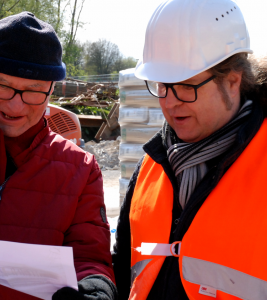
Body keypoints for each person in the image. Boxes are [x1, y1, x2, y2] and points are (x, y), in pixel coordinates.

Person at [113, 0, 267, 299]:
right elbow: (123, 264)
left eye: (186, 86)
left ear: (233, 81)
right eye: (162, 85)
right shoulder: (152, 164)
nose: (169, 102)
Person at [0, 12, 117, 300]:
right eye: (2, 85)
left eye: (33, 91)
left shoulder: (81, 170)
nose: (15, 104)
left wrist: (96, 287)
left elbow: (89, 257)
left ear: (51, 90)